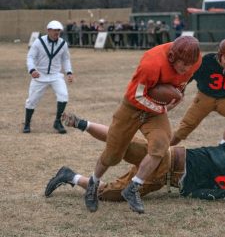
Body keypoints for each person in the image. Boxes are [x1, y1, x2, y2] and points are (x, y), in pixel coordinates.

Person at [45, 112, 225, 208]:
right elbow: (224, 166)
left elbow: (190, 193)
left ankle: (70, 175)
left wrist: (223, 194)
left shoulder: (220, 183)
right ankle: (82, 124)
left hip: (161, 174)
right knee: (120, 140)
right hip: (166, 159)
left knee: (111, 191)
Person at [83, 36, 202, 214]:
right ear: (172, 56)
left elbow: (181, 84)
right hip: (132, 107)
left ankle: (133, 188)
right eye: (182, 63)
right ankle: (93, 182)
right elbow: (136, 96)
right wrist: (162, 109)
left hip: (155, 110)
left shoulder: (195, 61)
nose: (185, 67)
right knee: (113, 155)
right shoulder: (152, 62)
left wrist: (177, 96)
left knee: (161, 146)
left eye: (189, 64)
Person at [23, 20, 74, 134]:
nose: (57, 33)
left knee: (64, 95)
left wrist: (69, 72)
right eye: (55, 30)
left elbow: (66, 59)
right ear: (48, 30)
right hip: (40, 75)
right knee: (32, 100)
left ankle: (57, 122)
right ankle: (27, 123)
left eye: (58, 30)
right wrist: (32, 70)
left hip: (56, 75)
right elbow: (30, 57)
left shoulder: (63, 44)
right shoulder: (38, 42)